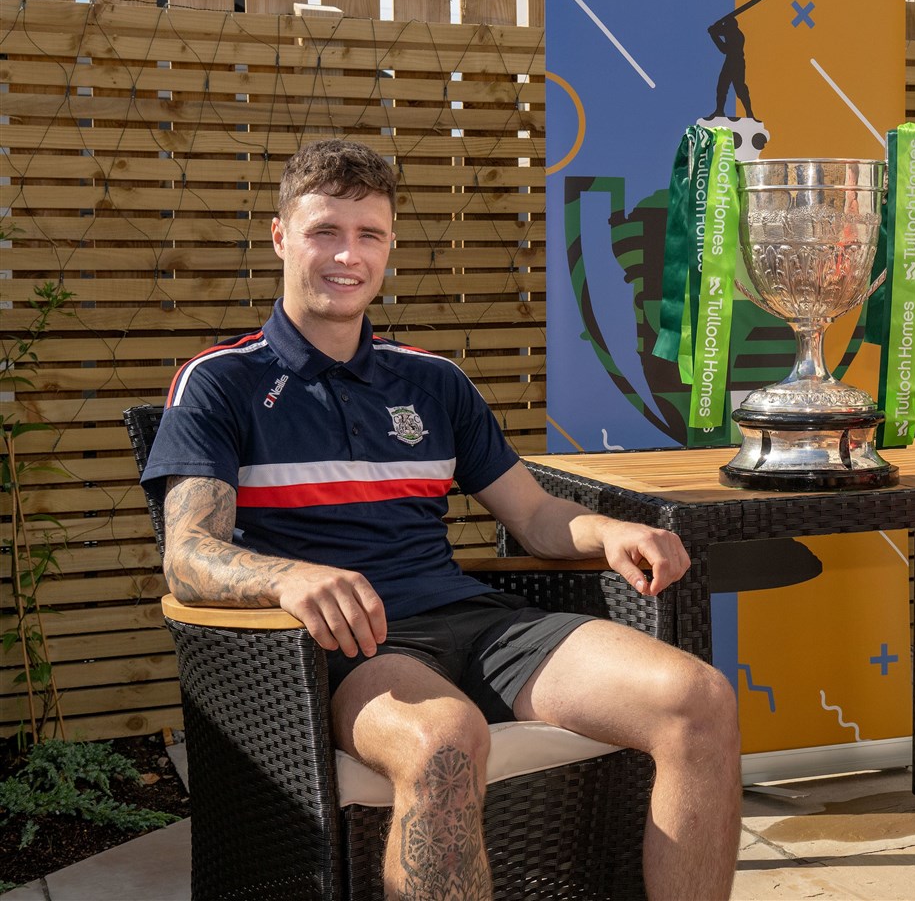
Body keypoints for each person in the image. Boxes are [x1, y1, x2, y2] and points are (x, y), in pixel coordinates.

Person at [140, 140, 740, 901]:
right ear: (280, 236)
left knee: (699, 701)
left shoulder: (433, 381)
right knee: (445, 743)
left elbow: (534, 514)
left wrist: (607, 532)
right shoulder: (220, 383)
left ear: (389, 247)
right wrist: (291, 578)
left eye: (369, 235)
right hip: (354, 649)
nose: (345, 255)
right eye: (325, 231)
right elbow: (187, 554)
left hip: (478, 623)